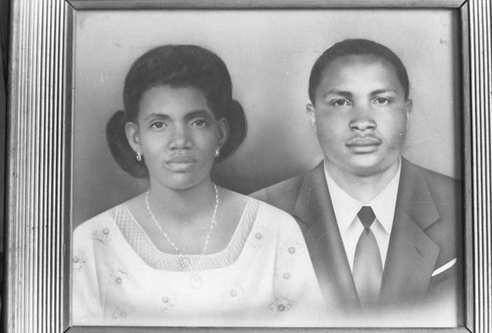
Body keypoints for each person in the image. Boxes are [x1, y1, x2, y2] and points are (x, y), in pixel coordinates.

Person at [72, 45, 325, 327]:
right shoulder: (94, 242)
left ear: (220, 133)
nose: (180, 141)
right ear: (134, 138)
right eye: (159, 124)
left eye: (197, 121)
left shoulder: (275, 230)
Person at [253, 39, 462, 326]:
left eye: (381, 100)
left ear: (407, 111)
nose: (362, 121)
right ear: (313, 116)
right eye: (341, 102)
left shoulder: (469, 208)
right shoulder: (259, 215)